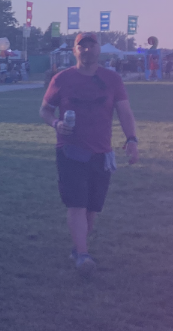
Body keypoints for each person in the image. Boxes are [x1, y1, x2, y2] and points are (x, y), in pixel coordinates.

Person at [39, 33, 139, 274]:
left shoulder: (111, 79)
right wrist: (56, 124)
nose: (86, 50)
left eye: (90, 45)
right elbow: (45, 110)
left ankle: (78, 246)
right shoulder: (62, 79)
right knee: (77, 203)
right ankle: (83, 254)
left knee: (93, 207)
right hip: (70, 150)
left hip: (101, 152)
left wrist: (132, 139)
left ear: (98, 50)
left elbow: (124, 111)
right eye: (81, 46)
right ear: (74, 51)